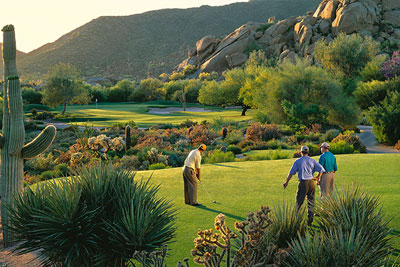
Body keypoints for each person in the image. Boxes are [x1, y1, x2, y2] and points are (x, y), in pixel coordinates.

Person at [283, 145, 325, 226]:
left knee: (299, 202)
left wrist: (286, 182)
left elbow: (291, 173)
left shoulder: (298, 161)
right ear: (308, 152)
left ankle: (296, 220)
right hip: (312, 182)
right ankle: (310, 222)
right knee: (311, 202)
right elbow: (321, 169)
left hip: (303, 183)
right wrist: (317, 177)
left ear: (301, 152)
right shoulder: (312, 160)